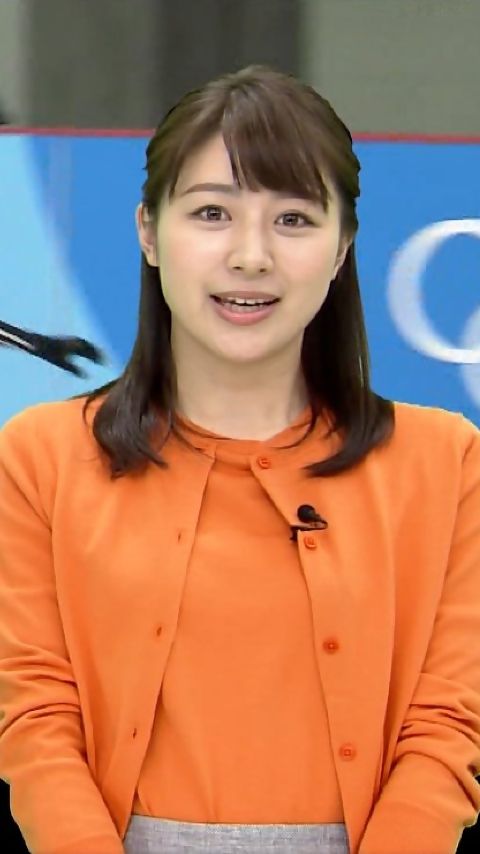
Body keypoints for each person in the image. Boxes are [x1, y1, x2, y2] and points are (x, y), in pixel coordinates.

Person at [0, 64, 479, 854]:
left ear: (342, 247)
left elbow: (444, 725)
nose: (251, 256)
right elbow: (38, 718)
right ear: (149, 231)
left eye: (293, 219)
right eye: (212, 213)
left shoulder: (449, 463)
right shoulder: (39, 458)